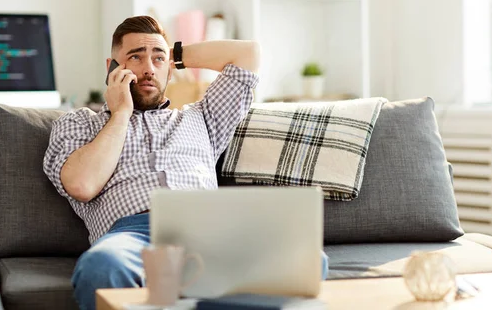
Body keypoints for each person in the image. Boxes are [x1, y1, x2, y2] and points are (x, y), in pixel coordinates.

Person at [43, 15, 328, 310]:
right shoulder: (80, 122)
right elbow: (82, 184)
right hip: (133, 237)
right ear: (112, 68)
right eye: (135, 57)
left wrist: (174, 54)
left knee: (304, 257)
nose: (148, 69)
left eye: (158, 59)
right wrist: (120, 114)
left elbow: (248, 55)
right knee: (102, 267)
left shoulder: (202, 117)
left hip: (211, 231)